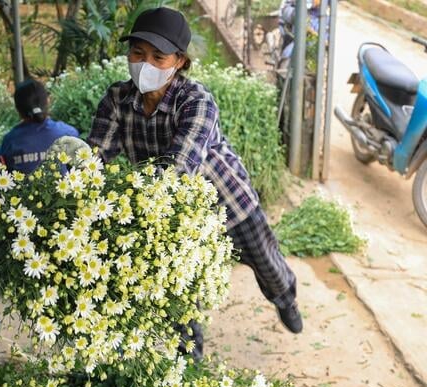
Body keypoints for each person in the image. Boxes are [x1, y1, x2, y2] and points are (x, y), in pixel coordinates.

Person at [87, 7, 303, 359]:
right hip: (169, 215)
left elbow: (178, 169)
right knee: (178, 292)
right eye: (138, 54)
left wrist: (134, 200)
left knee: (266, 263)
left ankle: (285, 299)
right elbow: (96, 155)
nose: (145, 64)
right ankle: (190, 363)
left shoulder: (196, 101)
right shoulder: (117, 99)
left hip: (227, 203)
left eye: (158, 57)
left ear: (180, 62)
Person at [0, 78, 80, 175]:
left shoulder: (10, 141)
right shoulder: (68, 133)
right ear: (48, 101)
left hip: (21, 189)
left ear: (17, 109)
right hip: (62, 188)